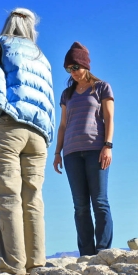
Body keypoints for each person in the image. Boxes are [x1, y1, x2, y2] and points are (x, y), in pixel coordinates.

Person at [0, 8, 54, 275]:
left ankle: (11, 270)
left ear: (9, 24)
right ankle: (37, 265)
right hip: (39, 134)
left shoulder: (2, 42)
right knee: (33, 199)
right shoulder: (41, 56)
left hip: (9, 125)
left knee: (8, 197)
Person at [53, 42, 114, 256]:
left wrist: (107, 146)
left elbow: (108, 118)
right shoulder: (66, 94)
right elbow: (62, 125)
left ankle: (104, 250)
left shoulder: (102, 87)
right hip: (71, 153)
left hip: (95, 149)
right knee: (80, 206)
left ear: (85, 65)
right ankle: (86, 254)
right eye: (68, 69)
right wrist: (57, 152)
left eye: (75, 67)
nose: (73, 73)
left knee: (99, 201)